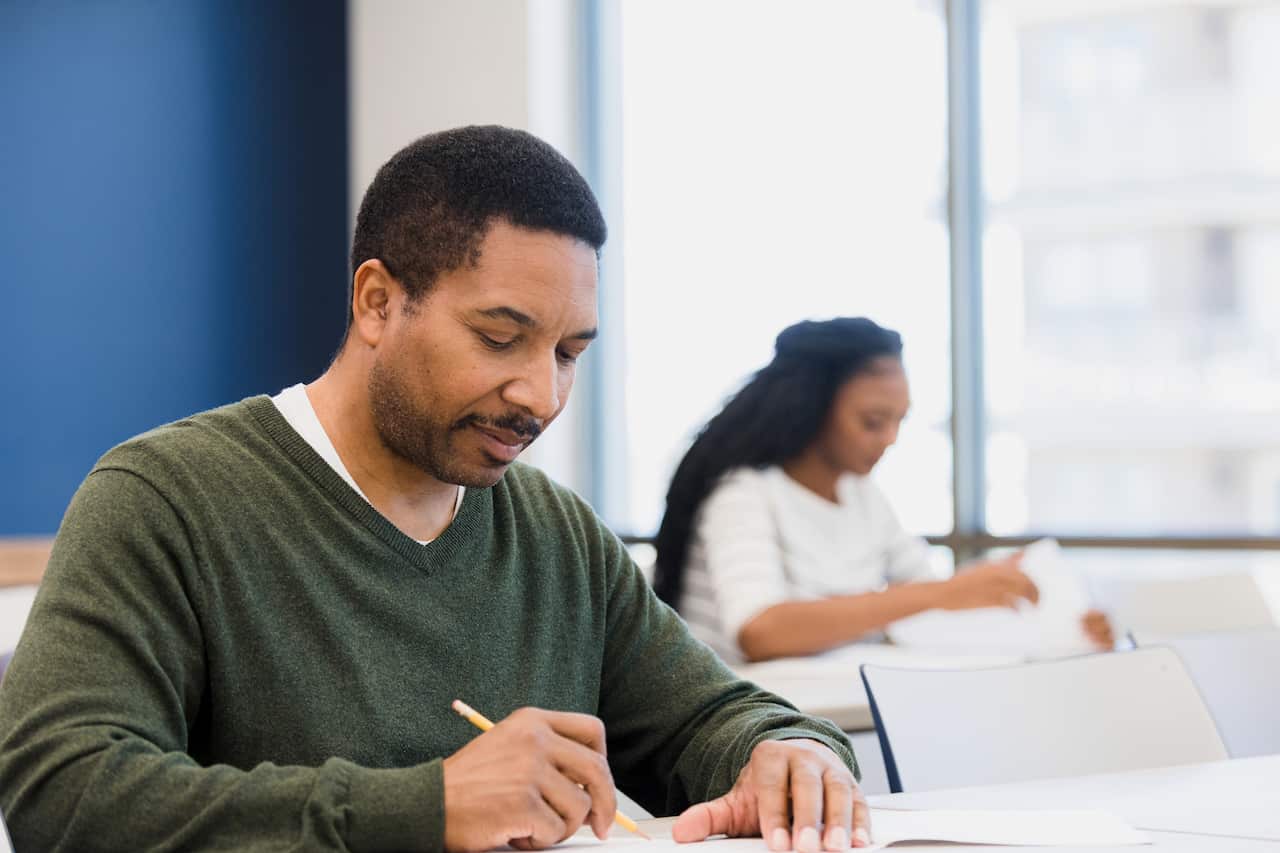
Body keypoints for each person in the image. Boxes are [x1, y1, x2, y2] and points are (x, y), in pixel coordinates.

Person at [0, 128, 871, 852]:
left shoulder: (555, 532)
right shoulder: (166, 498)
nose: (541, 395)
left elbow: (711, 718)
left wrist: (788, 749)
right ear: (377, 302)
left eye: (568, 354)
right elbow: (62, 794)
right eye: (501, 338)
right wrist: (426, 806)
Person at [653, 317, 1114, 664]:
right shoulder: (744, 494)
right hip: (754, 725)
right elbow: (761, 631)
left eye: (899, 421)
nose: (890, 439)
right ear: (811, 408)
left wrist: (1057, 627)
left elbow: (926, 598)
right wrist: (943, 593)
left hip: (836, 712)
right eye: (873, 421)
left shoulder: (862, 495)